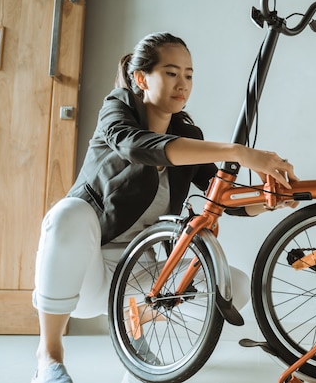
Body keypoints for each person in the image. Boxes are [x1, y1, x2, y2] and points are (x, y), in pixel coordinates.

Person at [31, 32, 297, 383]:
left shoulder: (189, 136)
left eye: (188, 74)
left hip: (142, 278)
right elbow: (139, 146)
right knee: (68, 213)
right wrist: (238, 152)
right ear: (141, 79)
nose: (182, 83)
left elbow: (222, 199)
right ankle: (49, 356)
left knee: (234, 282)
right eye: (171, 73)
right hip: (86, 275)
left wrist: (269, 199)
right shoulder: (118, 110)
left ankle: (136, 321)